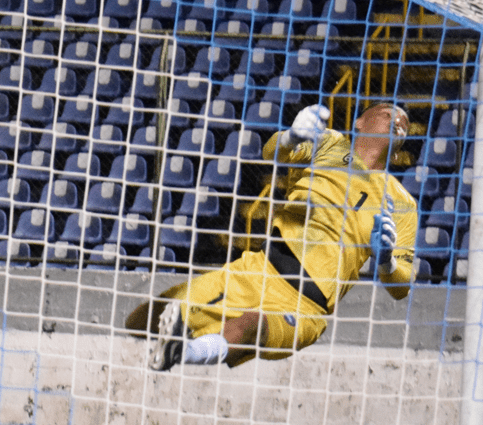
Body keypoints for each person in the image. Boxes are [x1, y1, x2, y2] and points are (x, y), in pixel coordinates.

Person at [126, 101, 418, 371]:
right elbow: (272, 153)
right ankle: (174, 347)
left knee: (251, 326)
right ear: (360, 122)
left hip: (306, 306)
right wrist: (291, 137)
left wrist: (386, 261)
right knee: (143, 319)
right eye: (387, 113)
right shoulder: (329, 143)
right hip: (258, 270)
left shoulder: (402, 202)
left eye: (404, 122)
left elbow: (401, 286)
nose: (398, 121)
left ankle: (182, 352)